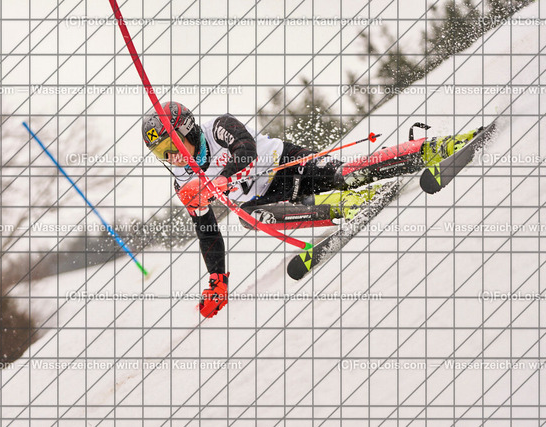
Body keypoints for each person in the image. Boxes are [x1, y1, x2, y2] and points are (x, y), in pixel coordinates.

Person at [142, 101, 474, 318]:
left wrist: (222, 181)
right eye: (161, 154)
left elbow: (246, 149)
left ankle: (434, 148)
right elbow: (206, 230)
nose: (172, 157)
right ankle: (351, 205)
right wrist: (217, 278)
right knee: (250, 217)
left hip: (289, 165)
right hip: (272, 198)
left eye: (171, 146)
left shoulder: (217, 127)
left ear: (187, 129)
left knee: (346, 175)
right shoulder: (183, 180)